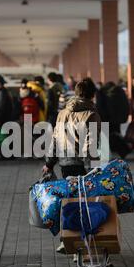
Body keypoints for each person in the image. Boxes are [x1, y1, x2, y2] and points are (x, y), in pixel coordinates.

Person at [43, 78, 101, 255]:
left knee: (68, 201)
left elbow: (54, 139)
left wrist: (49, 163)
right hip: (83, 166)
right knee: (85, 204)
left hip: (65, 164)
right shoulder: (92, 114)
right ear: (92, 95)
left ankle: (66, 239)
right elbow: (90, 144)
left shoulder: (62, 113)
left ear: (76, 93)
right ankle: (80, 242)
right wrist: (93, 168)